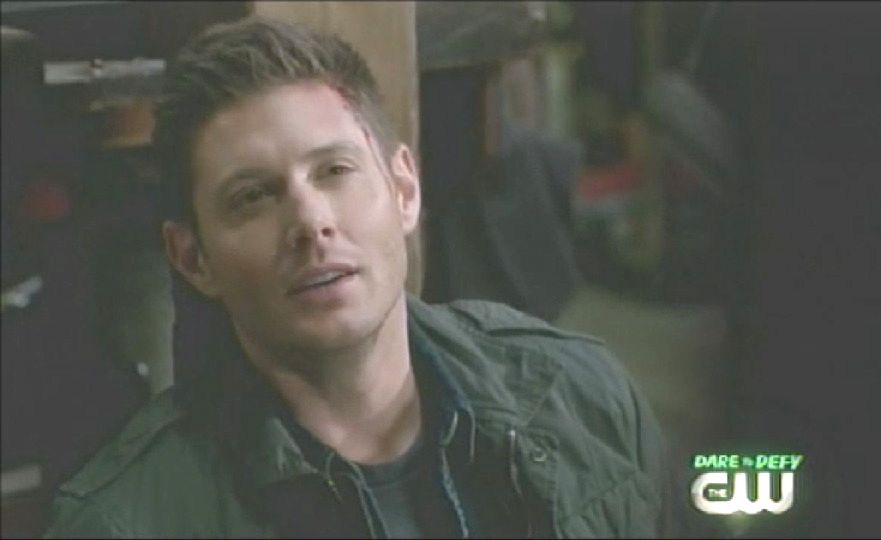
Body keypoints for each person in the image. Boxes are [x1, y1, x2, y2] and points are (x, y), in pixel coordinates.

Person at [44, 16, 672, 538]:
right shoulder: (122, 523)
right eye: (252, 197)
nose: (310, 222)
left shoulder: (582, 395)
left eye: (335, 171)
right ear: (192, 259)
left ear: (404, 190)